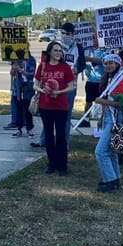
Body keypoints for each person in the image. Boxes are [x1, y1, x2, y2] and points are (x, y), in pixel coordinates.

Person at [30, 22, 84, 148]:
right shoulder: (55, 45)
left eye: (68, 34)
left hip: (69, 86)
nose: (65, 36)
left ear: (73, 34)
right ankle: (44, 140)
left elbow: (82, 63)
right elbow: (45, 60)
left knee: (66, 116)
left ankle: (64, 142)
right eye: (63, 33)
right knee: (48, 116)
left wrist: (77, 69)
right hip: (51, 86)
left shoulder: (78, 47)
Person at [35, 40, 74, 175]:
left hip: (61, 106)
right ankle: (51, 163)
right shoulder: (43, 66)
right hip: (45, 105)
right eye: (55, 50)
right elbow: (35, 85)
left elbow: (71, 86)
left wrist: (59, 92)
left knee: (61, 136)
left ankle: (62, 166)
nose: (58, 53)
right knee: (48, 135)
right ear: (49, 52)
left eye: (60, 50)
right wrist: (42, 90)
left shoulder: (65, 67)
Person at [93, 53, 123, 192]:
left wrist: (101, 101)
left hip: (116, 119)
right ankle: (115, 178)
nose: (108, 65)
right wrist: (101, 117)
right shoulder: (107, 79)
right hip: (107, 118)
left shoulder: (121, 80)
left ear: (117, 64)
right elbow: (106, 100)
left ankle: (110, 180)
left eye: (112, 62)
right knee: (110, 152)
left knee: (100, 151)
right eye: (106, 63)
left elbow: (121, 104)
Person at [80, 31, 105, 128]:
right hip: (91, 79)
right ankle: (86, 119)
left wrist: (89, 59)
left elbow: (102, 61)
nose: (93, 40)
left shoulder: (103, 50)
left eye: (95, 38)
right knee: (88, 100)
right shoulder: (87, 50)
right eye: (92, 38)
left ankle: (102, 120)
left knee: (103, 101)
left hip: (101, 80)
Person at [10, 48, 37, 137]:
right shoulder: (17, 59)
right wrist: (14, 68)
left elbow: (30, 75)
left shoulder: (31, 59)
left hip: (28, 87)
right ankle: (19, 128)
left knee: (27, 109)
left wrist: (20, 70)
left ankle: (29, 128)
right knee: (18, 108)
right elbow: (12, 73)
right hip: (18, 87)